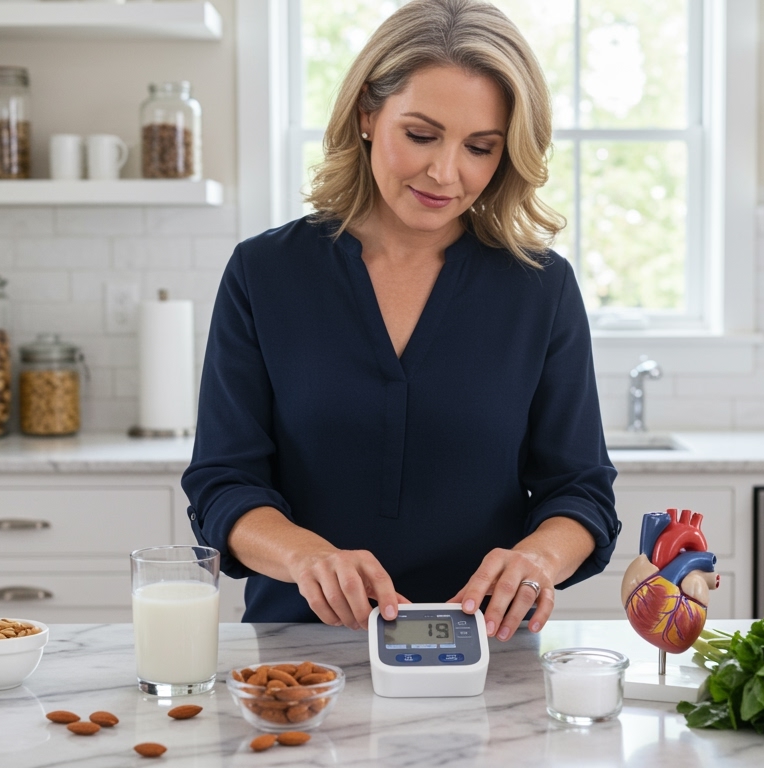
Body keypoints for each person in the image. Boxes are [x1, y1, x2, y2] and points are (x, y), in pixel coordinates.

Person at [182, 0, 618, 643]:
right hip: (301, 656)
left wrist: (538, 561)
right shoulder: (264, 273)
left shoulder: (540, 288)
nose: (446, 172)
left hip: (485, 659)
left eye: (480, 147)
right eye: (421, 134)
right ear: (366, 114)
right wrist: (304, 556)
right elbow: (223, 482)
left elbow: (581, 493)